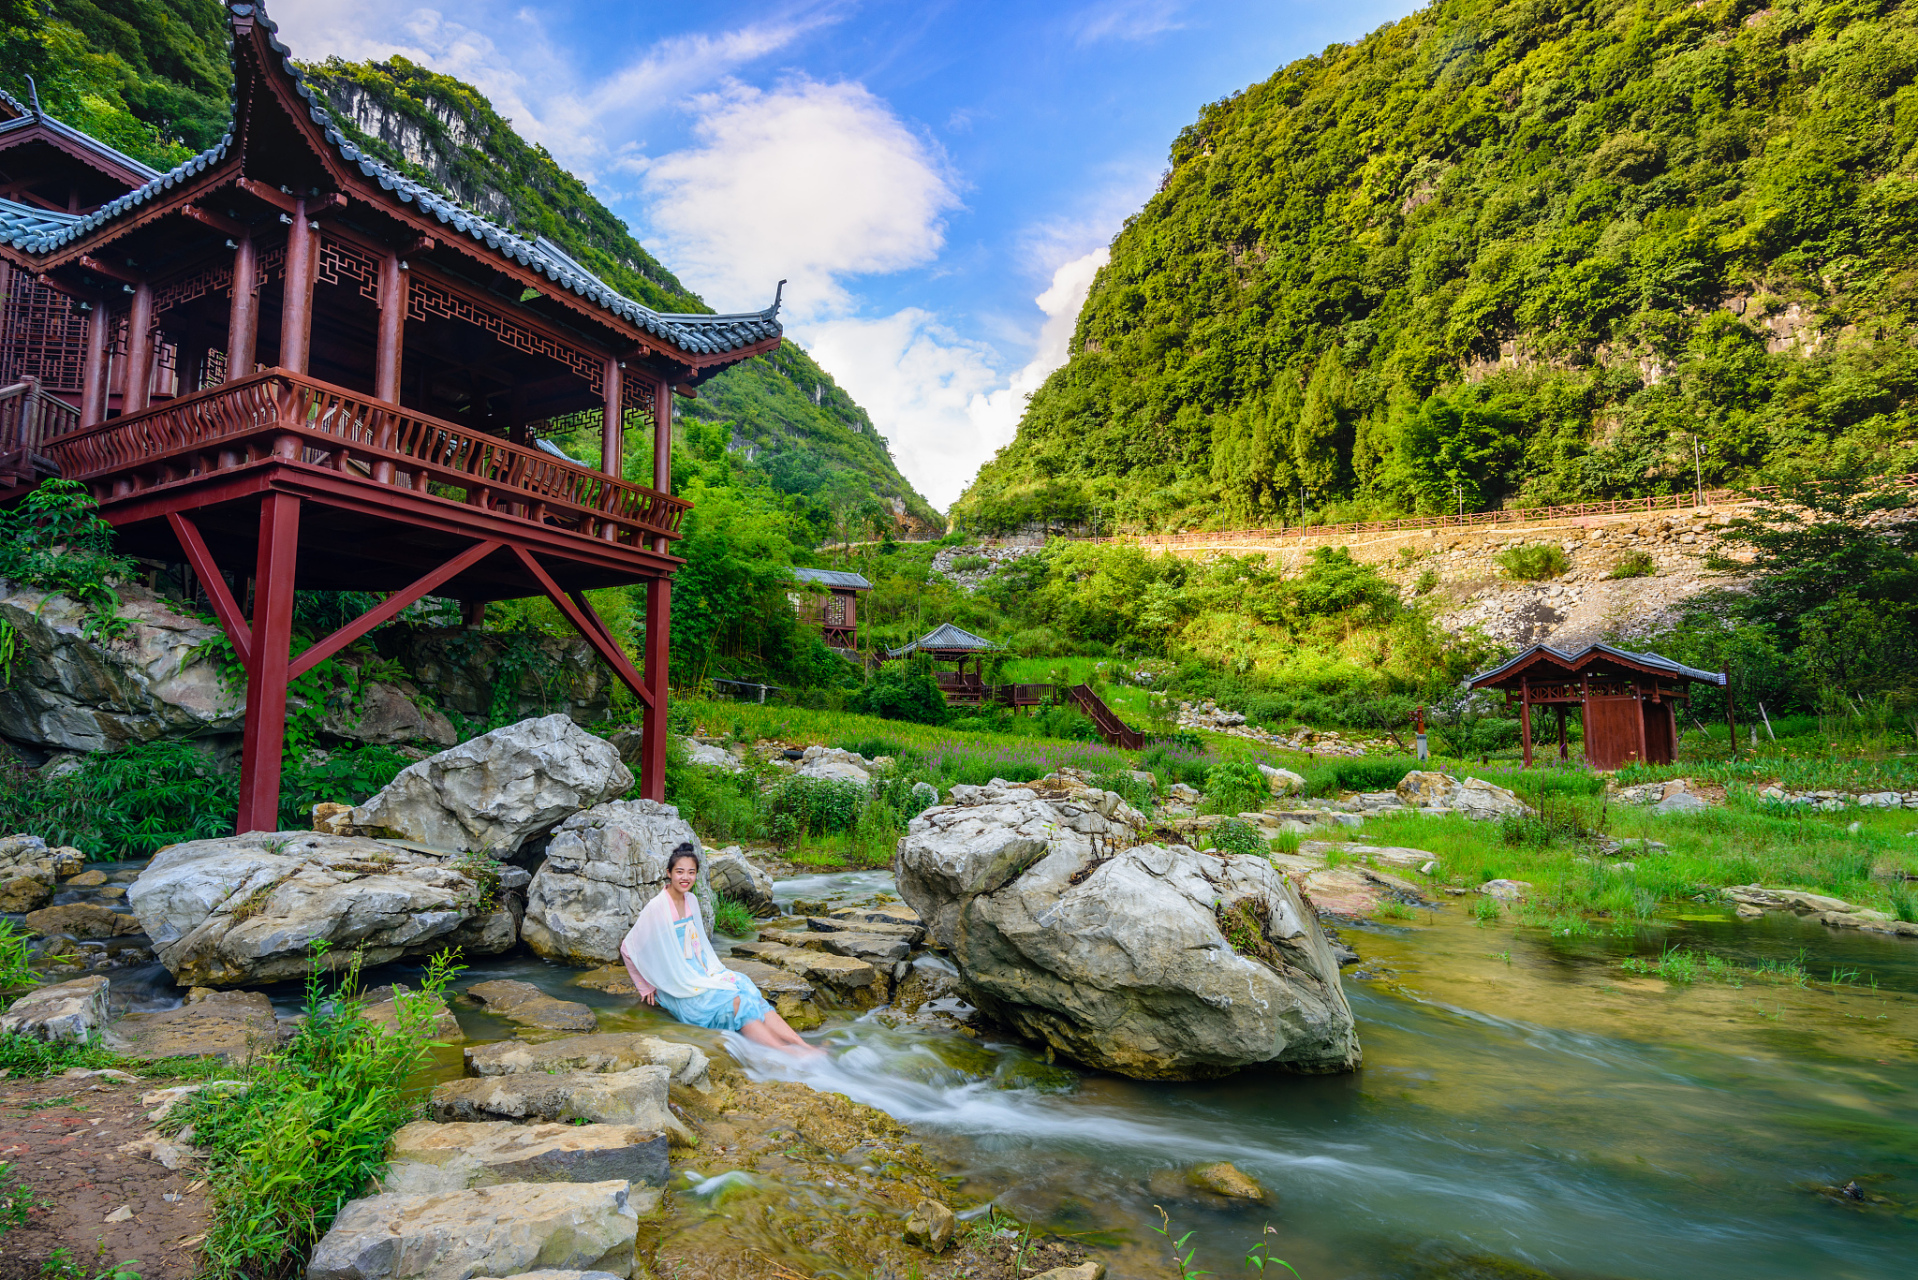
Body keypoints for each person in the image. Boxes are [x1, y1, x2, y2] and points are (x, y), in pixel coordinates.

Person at [618, 844, 817, 1055]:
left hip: (700, 971)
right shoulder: (657, 907)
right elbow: (627, 948)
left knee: (746, 988)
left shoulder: (691, 900)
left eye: (691, 872)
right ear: (669, 873)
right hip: (678, 983)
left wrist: (712, 972)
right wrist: (645, 986)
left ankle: (803, 1045)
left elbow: (698, 944)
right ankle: (788, 1052)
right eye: (679, 872)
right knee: (736, 1002)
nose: (685, 877)